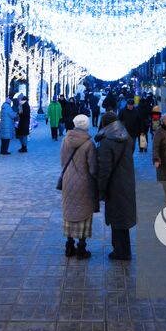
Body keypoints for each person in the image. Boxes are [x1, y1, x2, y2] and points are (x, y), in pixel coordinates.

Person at [95, 110, 137, 261]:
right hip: (127, 181)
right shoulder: (127, 137)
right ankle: (123, 249)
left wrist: (101, 188)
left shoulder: (107, 142)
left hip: (114, 184)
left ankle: (121, 251)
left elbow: (105, 168)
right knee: (123, 216)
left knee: (116, 217)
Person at [59, 114, 98, 258]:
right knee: (84, 213)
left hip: (68, 181)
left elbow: (63, 161)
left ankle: (69, 245)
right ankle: (82, 247)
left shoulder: (65, 140)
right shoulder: (89, 144)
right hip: (84, 182)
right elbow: (92, 168)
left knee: (69, 211)